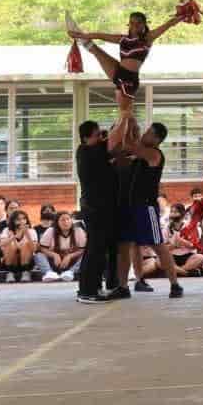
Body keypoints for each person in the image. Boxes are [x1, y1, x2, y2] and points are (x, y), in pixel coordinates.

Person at [67, 8, 190, 106]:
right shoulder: (122, 39)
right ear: (129, 25)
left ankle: (127, 132)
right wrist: (80, 35)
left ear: (144, 25)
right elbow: (100, 35)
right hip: (118, 70)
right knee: (95, 50)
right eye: (132, 23)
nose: (135, 25)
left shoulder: (147, 38)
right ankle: (79, 36)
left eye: (138, 23)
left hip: (129, 79)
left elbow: (168, 24)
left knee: (125, 112)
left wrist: (182, 16)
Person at [117, 120, 182, 299]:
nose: (145, 134)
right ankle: (124, 286)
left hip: (146, 208)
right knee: (126, 245)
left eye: (148, 132)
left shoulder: (153, 154)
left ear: (156, 139)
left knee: (158, 245)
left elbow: (131, 146)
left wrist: (128, 123)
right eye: (145, 131)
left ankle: (175, 284)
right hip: (129, 206)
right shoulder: (140, 155)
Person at [76, 117, 129, 303]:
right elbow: (116, 139)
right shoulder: (88, 151)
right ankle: (88, 291)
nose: (101, 138)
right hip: (96, 208)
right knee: (96, 250)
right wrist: (125, 114)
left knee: (96, 249)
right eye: (97, 135)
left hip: (100, 208)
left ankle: (91, 286)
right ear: (86, 138)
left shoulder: (91, 151)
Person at [40, 210, 86, 281]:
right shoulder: (50, 231)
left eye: (68, 219)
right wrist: (54, 255)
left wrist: (70, 256)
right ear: (57, 222)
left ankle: (70, 272)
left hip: (72, 261)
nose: (66, 222)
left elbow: (82, 250)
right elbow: (42, 248)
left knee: (87, 254)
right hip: (55, 262)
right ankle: (49, 272)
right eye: (62, 220)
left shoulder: (78, 230)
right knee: (38, 254)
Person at [0, 210, 40, 281]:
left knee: (26, 244)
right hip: (11, 262)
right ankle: (10, 273)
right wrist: (14, 237)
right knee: (9, 245)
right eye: (18, 219)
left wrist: (27, 234)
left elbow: (34, 249)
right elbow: (1, 244)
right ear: (13, 221)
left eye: (24, 218)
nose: (22, 221)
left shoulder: (31, 231)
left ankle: (25, 272)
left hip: (27, 262)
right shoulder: (7, 230)